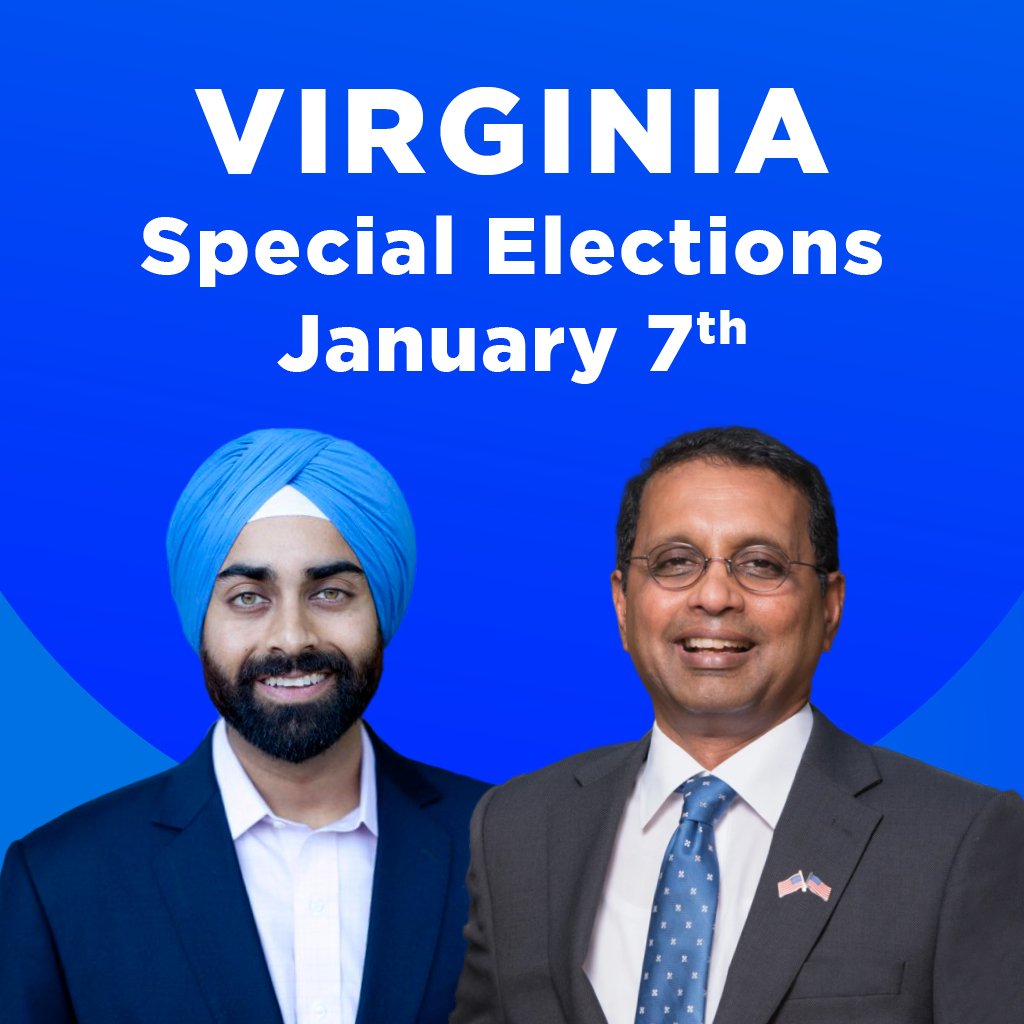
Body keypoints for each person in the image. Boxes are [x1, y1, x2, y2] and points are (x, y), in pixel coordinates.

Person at [452, 426, 1024, 1024]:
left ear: (830, 606)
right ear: (623, 604)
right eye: (676, 562)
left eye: (761, 564)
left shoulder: (959, 839)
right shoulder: (516, 829)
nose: (716, 595)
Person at [0, 428, 489, 1024]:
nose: (291, 636)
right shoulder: (60, 882)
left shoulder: (505, 846)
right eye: (248, 598)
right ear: (198, 620)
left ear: (382, 608)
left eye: (331, 592)